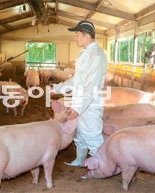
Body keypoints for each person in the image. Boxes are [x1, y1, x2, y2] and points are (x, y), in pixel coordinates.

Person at [52, 21, 108, 166]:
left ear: (86, 35)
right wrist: (57, 88)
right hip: (81, 100)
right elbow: (77, 79)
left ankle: (102, 166)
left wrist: (77, 108)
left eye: (77, 35)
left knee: (92, 135)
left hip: (90, 103)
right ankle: (80, 160)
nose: (75, 38)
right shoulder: (87, 53)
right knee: (80, 134)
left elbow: (91, 86)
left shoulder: (96, 55)